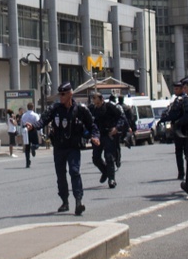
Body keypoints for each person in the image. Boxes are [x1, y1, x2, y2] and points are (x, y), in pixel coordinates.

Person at [26, 82, 99, 216]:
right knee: (61, 176)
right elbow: (43, 120)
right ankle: (65, 201)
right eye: (60, 94)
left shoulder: (81, 109)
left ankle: (78, 201)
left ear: (70, 94)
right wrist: (33, 126)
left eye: (64, 94)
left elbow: (92, 125)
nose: (61, 96)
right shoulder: (55, 108)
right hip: (59, 147)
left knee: (74, 171)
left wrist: (95, 137)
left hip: (73, 147)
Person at [88, 92, 126, 188]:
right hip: (98, 136)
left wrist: (116, 128)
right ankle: (105, 171)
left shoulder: (110, 107)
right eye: (95, 103)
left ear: (102, 100)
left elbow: (121, 118)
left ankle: (111, 179)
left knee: (109, 157)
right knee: (96, 158)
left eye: (98, 103)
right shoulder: (92, 109)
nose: (97, 105)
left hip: (108, 134)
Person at [158, 80, 186, 180]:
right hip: (184, 129)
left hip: (180, 128)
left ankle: (182, 173)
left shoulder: (180, 100)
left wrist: (163, 119)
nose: (175, 90)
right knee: (184, 152)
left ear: (183, 89)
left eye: (177, 89)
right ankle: (183, 172)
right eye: (174, 88)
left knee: (180, 152)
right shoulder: (179, 99)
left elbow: (173, 114)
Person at [20, 102, 40, 168]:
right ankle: (33, 148)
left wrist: (21, 132)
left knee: (27, 148)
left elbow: (22, 124)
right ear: (33, 107)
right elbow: (38, 123)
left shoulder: (24, 115)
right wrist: (40, 133)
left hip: (26, 131)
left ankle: (27, 162)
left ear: (27, 107)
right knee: (36, 144)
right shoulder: (35, 115)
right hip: (33, 130)